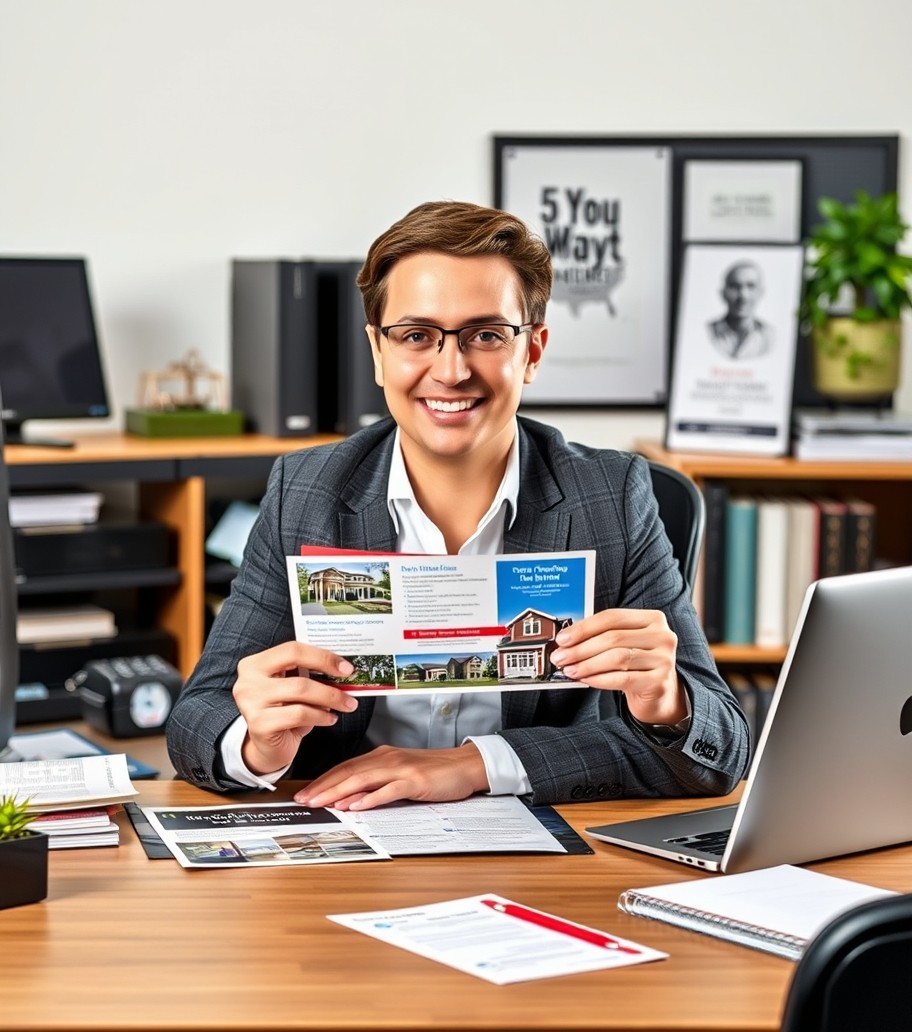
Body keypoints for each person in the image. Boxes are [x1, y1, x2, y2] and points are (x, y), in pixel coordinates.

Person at [167, 200, 750, 810]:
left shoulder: (613, 495)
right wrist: (258, 744)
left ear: (533, 351)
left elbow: (723, 753)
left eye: (487, 335)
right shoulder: (304, 492)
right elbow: (193, 722)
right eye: (417, 335)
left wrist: (664, 706)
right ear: (377, 351)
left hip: (549, 840)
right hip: (348, 834)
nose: (451, 370)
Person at [707, 260, 773, 359]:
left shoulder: (770, 336)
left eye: (751, 286)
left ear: (761, 292)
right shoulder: (707, 332)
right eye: (735, 287)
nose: (743, 296)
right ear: (723, 293)